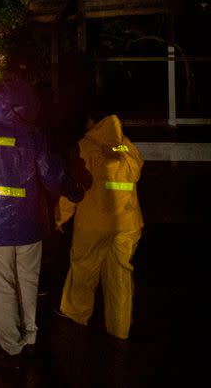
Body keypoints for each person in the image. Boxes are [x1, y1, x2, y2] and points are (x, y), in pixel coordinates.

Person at [0, 76, 85, 369]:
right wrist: (74, 190)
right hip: (29, 225)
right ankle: (31, 339)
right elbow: (53, 176)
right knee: (29, 282)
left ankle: (12, 346)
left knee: (3, 285)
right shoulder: (34, 137)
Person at [54, 113, 143, 341]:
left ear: (94, 122)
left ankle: (76, 316)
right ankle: (120, 328)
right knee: (121, 275)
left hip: (94, 224)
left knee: (84, 269)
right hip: (128, 223)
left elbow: (75, 186)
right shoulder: (127, 147)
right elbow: (137, 169)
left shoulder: (85, 146)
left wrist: (60, 217)